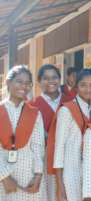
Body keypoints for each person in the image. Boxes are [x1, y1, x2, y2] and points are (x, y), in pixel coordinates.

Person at [0, 65, 47, 200]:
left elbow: (38, 147)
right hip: (4, 177)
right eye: (19, 81)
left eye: (28, 83)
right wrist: (4, 177)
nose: (24, 86)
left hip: (29, 176)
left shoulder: (34, 113)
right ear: (8, 83)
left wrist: (38, 175)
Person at [50, 69, 91, 201]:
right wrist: (60, 185)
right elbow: (58, 148)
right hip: (71, 172)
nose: (88, 89)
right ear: (76, 87)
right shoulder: (66, 110)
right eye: (83, 85)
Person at [30, 64, 68, 201]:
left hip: (67, 156)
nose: (50, 81)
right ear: (39, 82)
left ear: (60, 79)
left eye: (54, 77)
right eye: (45, 78)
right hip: (43, 156)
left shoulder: (69, 101)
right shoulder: (31, 105)